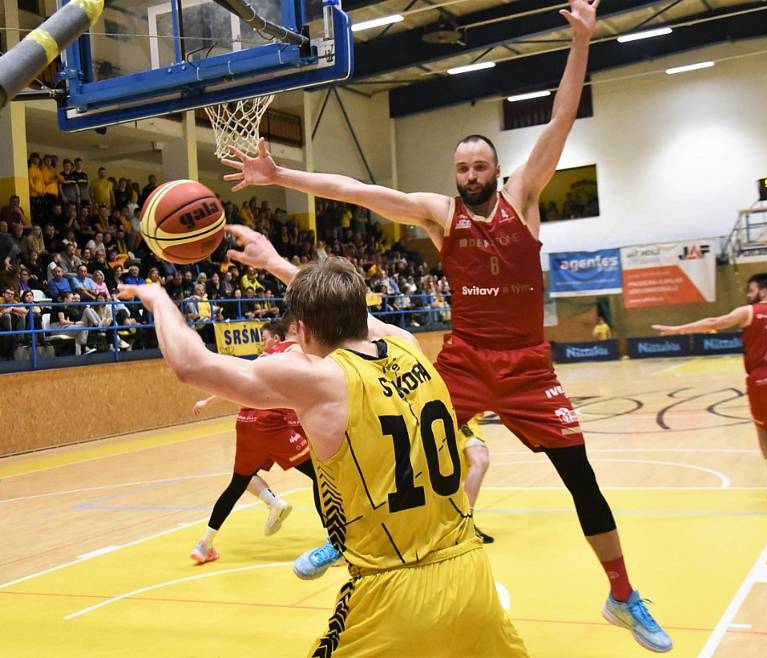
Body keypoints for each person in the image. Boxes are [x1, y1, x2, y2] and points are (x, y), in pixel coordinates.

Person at [220, 1, 670, 652]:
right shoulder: (439, 213)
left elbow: (562, 117)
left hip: (528, 366)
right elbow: (355, 190)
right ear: (455, 175)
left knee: (584, 481)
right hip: (464, 360)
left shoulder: (523, 197)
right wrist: (280, 173)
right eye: (462, 169)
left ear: (495, 168)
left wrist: (580, 42)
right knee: (376, 431)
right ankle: (337, 537)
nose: (471, 176)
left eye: (479, 167)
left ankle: (622, 595)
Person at [119, 227, 528, 657]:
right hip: (472, 575)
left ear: (304, 329)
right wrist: (275, 263)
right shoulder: (408, 345)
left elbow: (189, 364)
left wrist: (159, 301)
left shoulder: (322, 382)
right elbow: (344, 309)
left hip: (393, 591)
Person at [653, 272, 767, 500]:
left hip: (761, 379)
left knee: (763, 431)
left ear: (762, 291)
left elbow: (713, 323)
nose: (747, 295)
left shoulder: (748, 312)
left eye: (750, 290)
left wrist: (677, 329)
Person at [189, 317, 322, 564]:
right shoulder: (293, 349)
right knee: (321, 475)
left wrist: (207, 402)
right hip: (270, 424)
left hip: (246, 423)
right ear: (293, 331)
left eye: (263, 339)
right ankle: (335, 541)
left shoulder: (262, 359)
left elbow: (234, 384)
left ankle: (204, 545)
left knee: (237, 484)